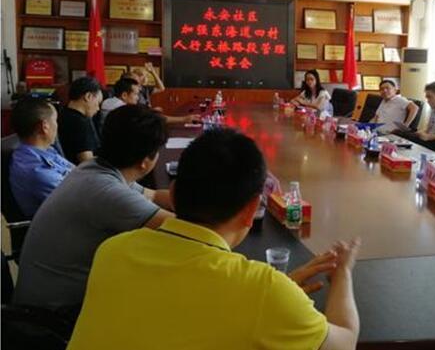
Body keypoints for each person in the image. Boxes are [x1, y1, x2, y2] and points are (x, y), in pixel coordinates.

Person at [68, 128, 361, 350]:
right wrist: (343, 273)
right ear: (252, 210)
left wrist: (281, 292)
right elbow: (345, 342)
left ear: (173, 194)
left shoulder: (113, 251)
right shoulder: (262, 291)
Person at [13, 105, 175, 317]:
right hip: (51, 316)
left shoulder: (95, 168)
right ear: (146, 162)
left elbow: (153, 196)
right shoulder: (107, 191)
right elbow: (183, 230)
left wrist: (185, 197)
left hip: (46, 298)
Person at [8, 98, 74, 218]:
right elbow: (78, 201)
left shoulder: (45, 150)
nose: (57, 125)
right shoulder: (37, 171)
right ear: (44, 126)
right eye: (55, 120)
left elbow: (74, 171)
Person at [57, 76, 103, 164]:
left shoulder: (61, 114)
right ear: (88, 96)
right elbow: (87, 162)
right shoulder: (82, 123)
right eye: (98, 103)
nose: (98, 108)